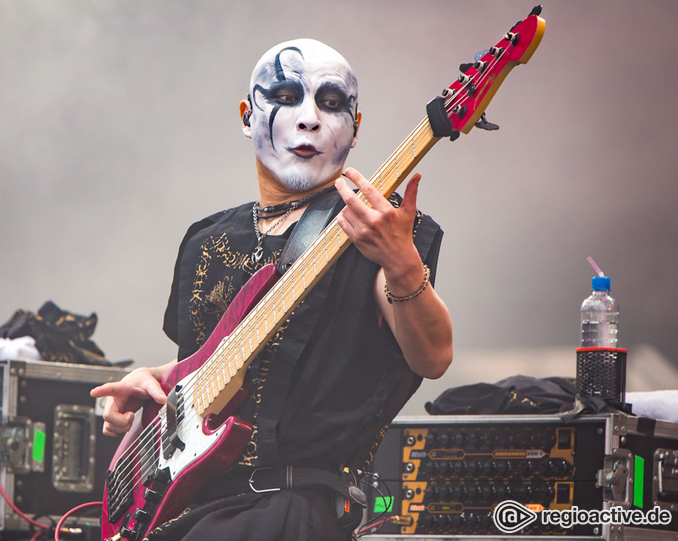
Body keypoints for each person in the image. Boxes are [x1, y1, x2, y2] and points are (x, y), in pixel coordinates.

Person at [91, 38, 453, 541]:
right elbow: (203, 373)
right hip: (191, 505)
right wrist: (150, 384)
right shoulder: (207, 238)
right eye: (285, 96)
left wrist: (401, 262)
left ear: (355, 128)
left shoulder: (376, 229)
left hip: (294, 509)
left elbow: (433, 356)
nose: (308, 119)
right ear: (247, 116)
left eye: (331, 104)